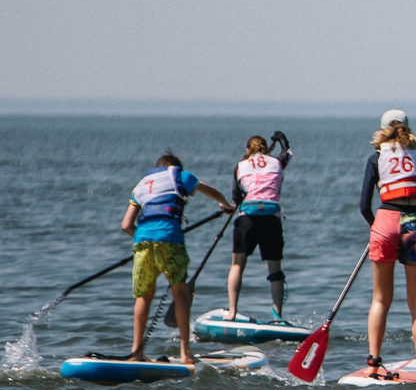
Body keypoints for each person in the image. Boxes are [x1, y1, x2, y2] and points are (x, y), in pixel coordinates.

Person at [117, 150, 236, 363]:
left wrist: (144, 240)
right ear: (174, 165)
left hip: (142, 241)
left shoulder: (142, 183)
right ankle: (185, 353)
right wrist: (227, 206)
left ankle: (136, 352)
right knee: (180, 293)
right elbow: (213, 192)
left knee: (143, 296)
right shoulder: (179, 174)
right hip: (170, 237)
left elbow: (126, 225)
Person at [359, 110, 416, 380]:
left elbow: (363, 205)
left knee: (380, 299)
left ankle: (373, 364)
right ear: (407, 128)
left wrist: (377, 226)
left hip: (384, 220)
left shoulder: (376, 158)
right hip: (414, 221)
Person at [224, 132, 291, 321]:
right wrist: (280, 138)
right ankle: (277, 315)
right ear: (266, 149)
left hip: (248, 218)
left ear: (247, 150)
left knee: (237, 265)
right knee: (275, 269)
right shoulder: (276, 163)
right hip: (271, 217)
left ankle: (232, 312)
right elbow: (288, 151)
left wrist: (228, 208)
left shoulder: (240, 166)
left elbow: (236, 199)